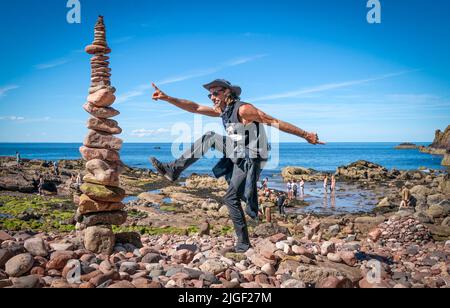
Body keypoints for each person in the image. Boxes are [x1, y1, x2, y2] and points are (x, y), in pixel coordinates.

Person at [150, 79, 325, 253]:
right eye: (210, 94)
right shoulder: (223, 111)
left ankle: (174, 169)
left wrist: (305, 134)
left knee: (211, 140)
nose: (212, 97)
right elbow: (194, 107)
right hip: (238, 153)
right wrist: (168, 98)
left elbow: (274, 121)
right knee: (230, 197)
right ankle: (243, 243)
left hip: (252, 156)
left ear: (227, 92)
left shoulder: (244, 109)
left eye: (216, 93)